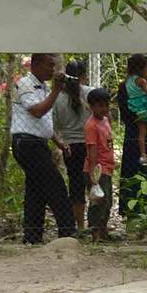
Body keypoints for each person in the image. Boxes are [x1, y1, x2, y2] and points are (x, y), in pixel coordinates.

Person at [10, 52, 76, 243]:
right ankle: (68, 233)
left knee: (36, 190)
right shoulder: (25, 84)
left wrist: (58, 141)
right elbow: (37, 111)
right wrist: (56, 91)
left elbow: (44, 121)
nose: (52, 70)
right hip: (27, 144)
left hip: (38, 143)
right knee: (55, 186)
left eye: (54, 66)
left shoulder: (44, 87)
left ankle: (32, 236)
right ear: (36, 64)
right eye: (49, 65)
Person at [117, 54, 147, 221]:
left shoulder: (144, 85)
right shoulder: (126, 87)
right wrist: (142, 118)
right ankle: (133, 212)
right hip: (134, 133)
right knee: (133, 173)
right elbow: (125, 111)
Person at [53, 59, 92, 234]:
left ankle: (80, 226)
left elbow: (54, 125)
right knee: (94, 183)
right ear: (83, 76)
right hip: (91, 145)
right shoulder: (91, 93)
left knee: (76, 186)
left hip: (70, 148)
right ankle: (95, 224)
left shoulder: (57, 99)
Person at [83, 87, 117, 242]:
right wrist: (93, 173)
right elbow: (92, 149)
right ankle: (95, 231)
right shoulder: (91, 125)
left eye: (106, 105)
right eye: (100, 106)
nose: (104, 109)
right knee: (98, 201)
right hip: (97, 169)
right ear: (92, 107)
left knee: (107, 201)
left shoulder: (105, 120)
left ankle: (103, 230)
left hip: (107, 167)